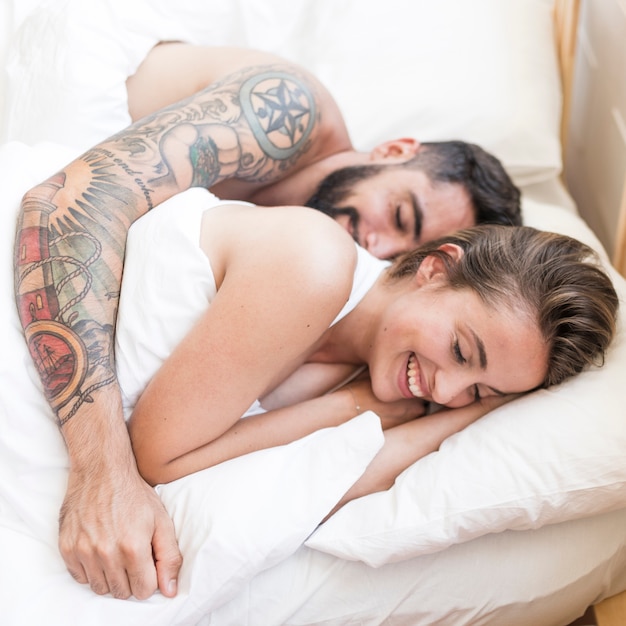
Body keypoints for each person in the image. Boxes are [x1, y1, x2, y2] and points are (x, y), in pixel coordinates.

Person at [13, 45, 521, 601]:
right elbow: (66, 207)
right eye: (400, 215)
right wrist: (101, 469)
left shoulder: (341, 310)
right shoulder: (285, 113)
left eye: (401, 249)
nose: (378, 245)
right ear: (394, 151)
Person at [114, 191, 617, 514]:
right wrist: (360, 407)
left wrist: (439, 419)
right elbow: (157, 462)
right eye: (462, 352)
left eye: (481, 392)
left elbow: (319, 493)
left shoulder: (363, 369)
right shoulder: (314, 264)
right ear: (436, 270)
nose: (445, 391)